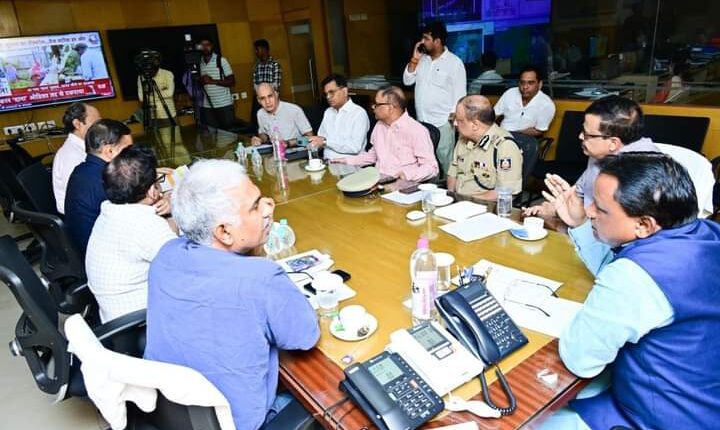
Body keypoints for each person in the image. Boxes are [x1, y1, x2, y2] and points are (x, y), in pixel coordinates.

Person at [539, 152, 720, 429]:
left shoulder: (636, 276)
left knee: (531, 413)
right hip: (704, 399)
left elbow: (580, 360)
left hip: (661, 416)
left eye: (600, 208)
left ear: (644, 224)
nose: (589, 212)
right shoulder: (705, 233)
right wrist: (578, 224)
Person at [144, 159, 319, 430]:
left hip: (169, 412)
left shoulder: (166, 254)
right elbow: (304, 337)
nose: (269, 207)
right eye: (256, 205)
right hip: (240, 422)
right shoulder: (260, 278)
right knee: (333, 395)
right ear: (224, 231)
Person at [524, 95, 658, 219]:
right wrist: (553, 209)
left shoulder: (643, 173)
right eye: (583, 131)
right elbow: (578, 196)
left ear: (613, 143)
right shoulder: (601, 153)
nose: (580, 137)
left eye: (587, 134)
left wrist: (569, 217)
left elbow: (612, 229)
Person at [85, 146, 176, 323]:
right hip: (141, 323)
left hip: (113, 315)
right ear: (152, 191)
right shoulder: (146, 226)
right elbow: (187, 267)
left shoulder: (109, 210)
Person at [333, 86, 438, 182]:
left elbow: (431, 167)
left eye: (377, 104)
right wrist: (344, 161)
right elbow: (373, 155)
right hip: (377, 183)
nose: (373, 107)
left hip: (402, 186)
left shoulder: (416, 130)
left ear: (390, 108)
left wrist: (405, 175)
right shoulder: (379, 126)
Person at [403, 21, 466, 176]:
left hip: (442, 122)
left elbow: (460, 93)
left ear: (437, 41)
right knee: (425, 162)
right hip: (422, 122)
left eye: (426, 38)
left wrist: (453, 117)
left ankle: (449, 193)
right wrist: (414, 59)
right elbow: (407, 81)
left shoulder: (454, 63)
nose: (421, 42)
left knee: (446, 162)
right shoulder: (421, 60)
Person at [447, 95, 522, 199]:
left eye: (459, 120)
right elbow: (453, 172)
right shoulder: (463, 138)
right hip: (458, 201)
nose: (455, 123)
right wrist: (450, 197)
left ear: (475, 125)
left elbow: (506, 191)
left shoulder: (505, 146)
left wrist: (467, 202)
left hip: (483, 206)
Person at [53, 102, 101, 214]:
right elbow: (84, 195)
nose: (100, 128)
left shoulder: (84, 147)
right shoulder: (71, 156)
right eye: (96, 123)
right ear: (77, 124)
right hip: (81, 214)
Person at [308, 74, 369, 160]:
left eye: (331, 92)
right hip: (327, 162)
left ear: (345, 91)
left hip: (350, 165)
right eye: (326, 94)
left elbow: (355, 147)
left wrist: (325, 142)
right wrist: (311, 144)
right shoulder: (328, 112)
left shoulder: (358, 114)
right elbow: (320, 139)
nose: (328, 97)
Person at [494, 65, 555, 137]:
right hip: (500, 135)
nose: (525, 87)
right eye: (522, 82)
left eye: (530, 83)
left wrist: (513, 134)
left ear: (540, 84)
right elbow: (494, 114)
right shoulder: (510, 93)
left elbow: (539, 130)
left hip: (524, 139)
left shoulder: (546, 104)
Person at [250, 82, 312, 147]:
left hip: (295, 150)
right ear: (258, 100)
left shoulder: (294, 110)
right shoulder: (260, 114)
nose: (267, 102)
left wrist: (288, 143)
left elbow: (310, 137)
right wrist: (260, 139)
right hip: (275, 151)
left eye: (270, 96)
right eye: (262, 98)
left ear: (276, 94)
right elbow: (263, 134)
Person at [199, 39, 236, 130]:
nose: (205, 47)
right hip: (208, 105)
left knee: (229, 134)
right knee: (213, 134)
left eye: (207, 45)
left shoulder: (221, 60)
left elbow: (232, 82)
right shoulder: (200, 62)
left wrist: (212, 81)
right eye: (202, 45)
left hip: (224, 105)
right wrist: (200, 81)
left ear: (212, 46)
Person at [251, 39, 282, 129]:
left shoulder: (275, 65)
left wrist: (266, 93)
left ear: (264, 49)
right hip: (259, 99)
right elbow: (255, 84)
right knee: (257, 123)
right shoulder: (257, 66)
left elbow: (276, 85)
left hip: (271, 98)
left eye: (257, 50)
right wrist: (261, 96)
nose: (255, 52)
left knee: (274, 123)